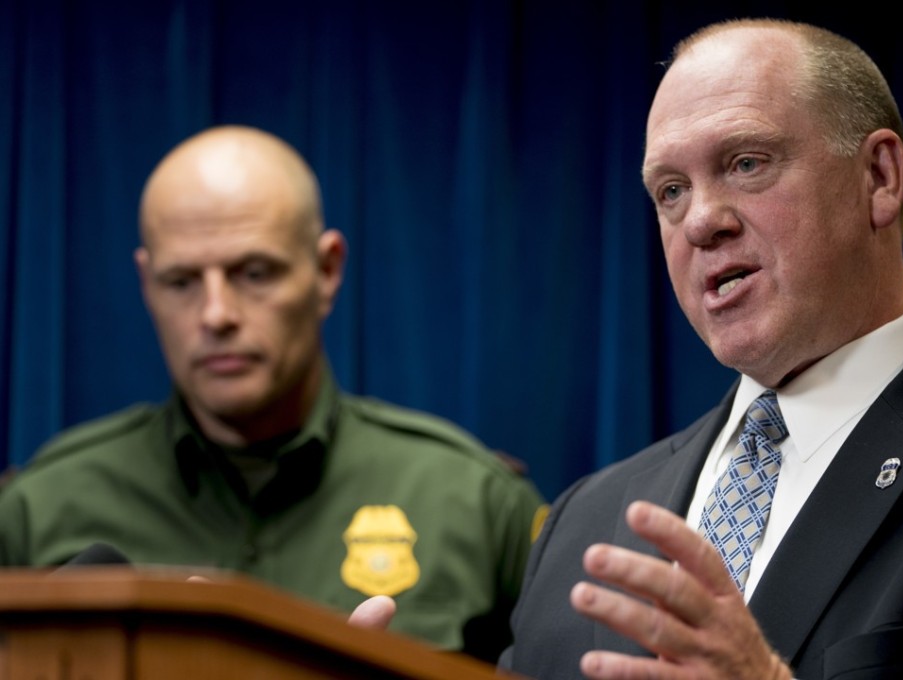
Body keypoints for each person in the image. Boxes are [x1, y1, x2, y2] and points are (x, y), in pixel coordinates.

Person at [498, 18, 903, 679]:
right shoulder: (581, 524)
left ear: (879, 177)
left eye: (746, 164)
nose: (700, 221)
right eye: (671, 191)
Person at [0, 125, 547, 664]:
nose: (216, 315)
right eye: (181, 281)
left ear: (327, 270)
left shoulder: (473, 504)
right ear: (146, 284)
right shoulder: (37, 512)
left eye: (255, 273)